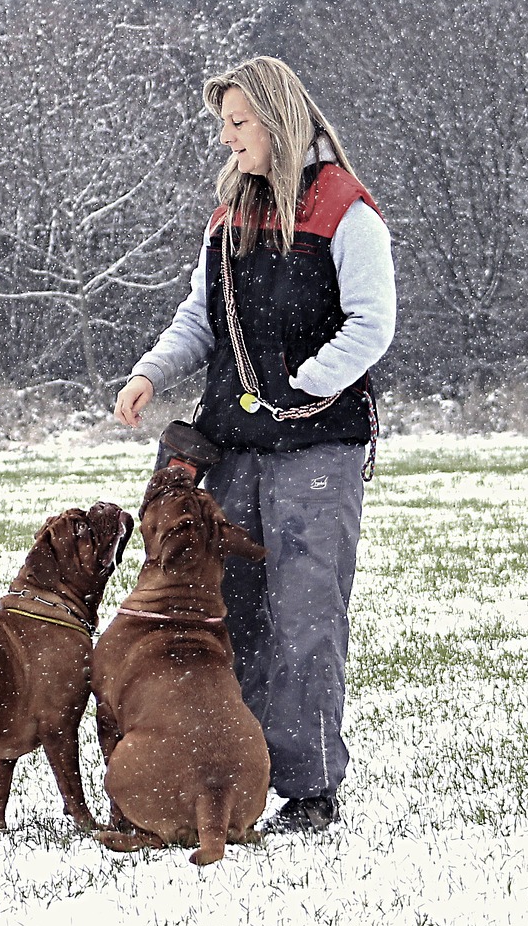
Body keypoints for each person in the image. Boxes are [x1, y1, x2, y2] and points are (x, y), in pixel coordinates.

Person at [114, 56, 395, 834]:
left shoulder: (347, 211)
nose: (228, 137)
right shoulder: (227, 214)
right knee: (224, 614)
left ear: (279, 120)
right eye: (224, 124)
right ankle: (225, 778)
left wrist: (304, 384)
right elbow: (200, 320)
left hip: (318, 451)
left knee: (307, 617)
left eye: (239, 122)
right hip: (232, 448)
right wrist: (149, 374)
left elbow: (373, 324)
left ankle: (309, 788)